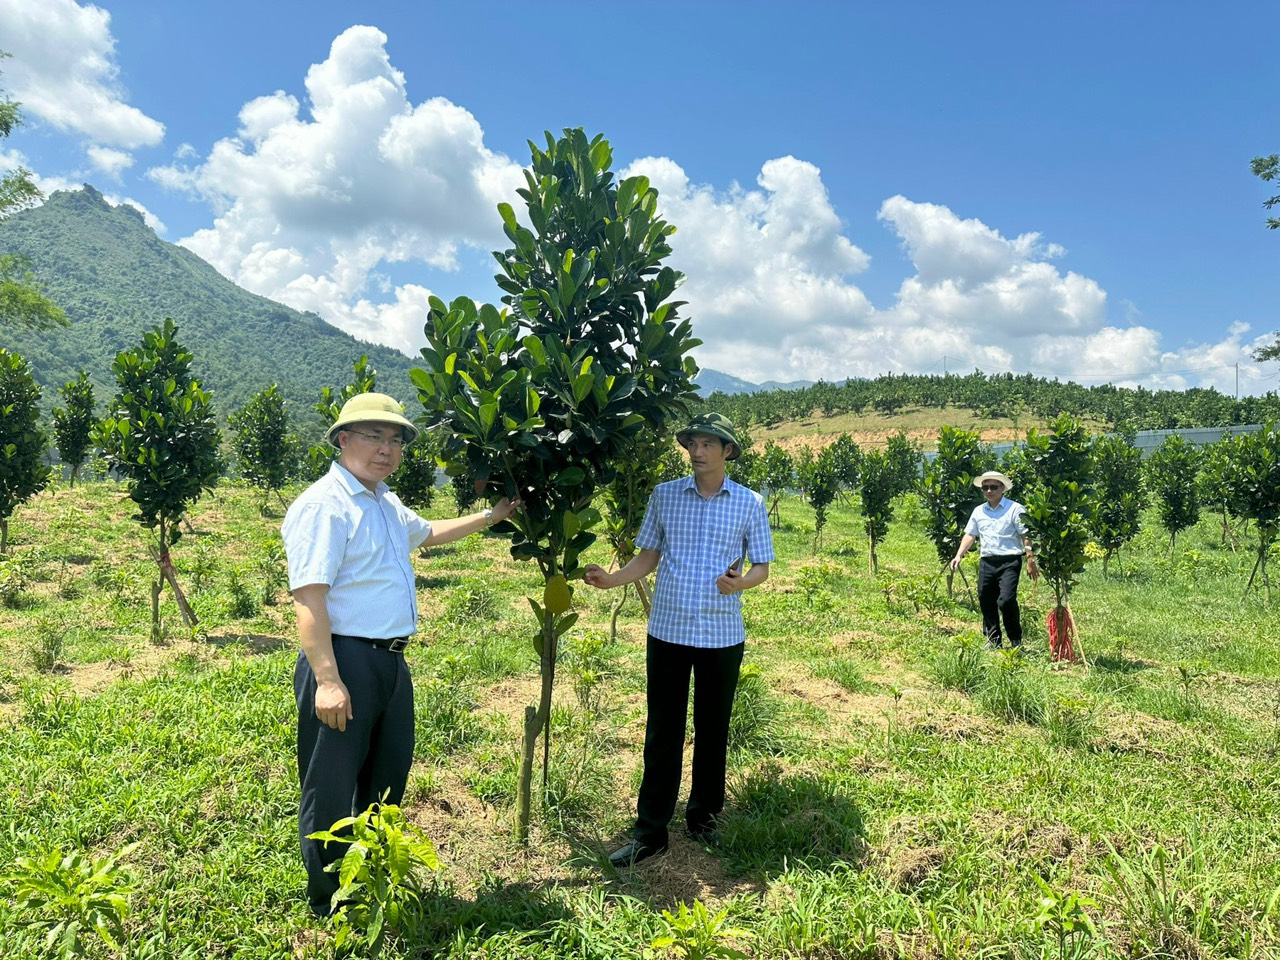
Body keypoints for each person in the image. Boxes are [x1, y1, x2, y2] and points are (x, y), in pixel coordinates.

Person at [282, 392, 518, 915]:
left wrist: (492, 515)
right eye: (373, 436)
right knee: (331, 783)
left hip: (390, 661)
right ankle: (332, 902)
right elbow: (309, 599)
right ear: (343, 440)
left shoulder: (384, 501)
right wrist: (327, 679)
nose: (386, 449)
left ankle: (370, 873)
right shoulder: (326, 505)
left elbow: (428, 533)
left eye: (394, 439)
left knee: (386, 775)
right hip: (344, 660)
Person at [583, 413, 774, 867]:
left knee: (713, 730)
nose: (699, 451)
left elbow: (762, 567)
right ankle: (650, 832)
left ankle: (704, 819)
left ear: (728, 451)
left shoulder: (749, 503)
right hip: (668, 631)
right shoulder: (665, 496)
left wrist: (740, 583)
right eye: (693, 443)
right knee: (662, 731)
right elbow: (648, 556)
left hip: (721, 633)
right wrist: (612, 580)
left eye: (710, 443)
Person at [950, 470, 1038, 648]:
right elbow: (970, 535)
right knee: (986, 600)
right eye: (985, 488)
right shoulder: (978, 511)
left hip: (1010, 561)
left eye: (993, 487)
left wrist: (1030, 559)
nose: (989, 491)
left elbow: (1025, 535)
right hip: (987, 562)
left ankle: (1015, 638)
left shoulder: (1015, 509)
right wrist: (959, 554)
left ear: (1003, 488)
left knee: (1006, 600)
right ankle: (993, 639)